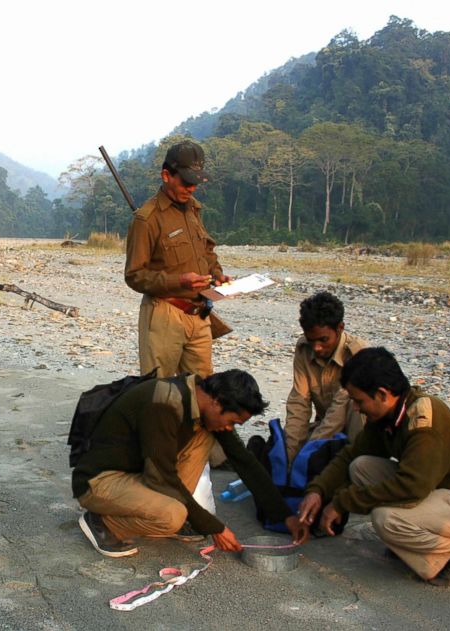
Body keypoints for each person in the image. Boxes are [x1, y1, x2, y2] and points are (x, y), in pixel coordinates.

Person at [297, 347, 450, 587]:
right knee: (361, 467)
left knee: (386, 520)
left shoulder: (424, 423)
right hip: (442, 490)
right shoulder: (387, 415)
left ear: (382, 394)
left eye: (359, 401)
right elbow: (351, 455)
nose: (356, 409)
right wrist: (317, 490)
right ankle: (414, 541)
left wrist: (341, 502)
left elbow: (411, 488)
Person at [72, 369, 308, 557]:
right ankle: (104, 522)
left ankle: (180, 516)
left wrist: (284, 516)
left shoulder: (200, 401)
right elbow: (162, 479)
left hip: (136, 474)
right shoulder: (164, 404)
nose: (229, 428)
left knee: (207, 435)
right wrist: (213, 526)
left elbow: (244, 461)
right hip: (100, 481)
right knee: (172, 515)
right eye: (232, 422)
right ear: (217, 403)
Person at [124, 140, 231, 379]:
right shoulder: (146, 219)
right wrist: (178, 281)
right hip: (164, 315)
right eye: (185, 182)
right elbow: (134, 275)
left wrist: (217, 274)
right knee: (160, 392)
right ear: (166, 175)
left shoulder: (193, 209)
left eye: (195, 183)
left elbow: (206, 250)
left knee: (202, 392)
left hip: (200, 314)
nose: (191, 188)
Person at [283, 291, 367, 462]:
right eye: (311, 340)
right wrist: (289, 456)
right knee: (284, 447)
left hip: (356, 429)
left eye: (323, 340)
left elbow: (339, 409)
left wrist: (308, 453)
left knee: (353, 405)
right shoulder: (303, 349)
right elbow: (299, 403)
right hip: (325, 427)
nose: (317, 348)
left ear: (340, 328)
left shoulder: (357, 353)